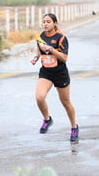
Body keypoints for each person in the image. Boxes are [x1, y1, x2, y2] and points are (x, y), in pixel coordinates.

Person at [30, 13, 79, 142]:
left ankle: (74, 127)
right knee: (39, 97)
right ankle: (47, 119)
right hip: (46, 72)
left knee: (65, 103)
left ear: (55, 23)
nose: (45, 24)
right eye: (44, 21)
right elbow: (39, 49)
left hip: (60, 73)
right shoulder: (40, 36)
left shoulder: (61, 37)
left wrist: (51, 49)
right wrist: (36, 57)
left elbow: (64, 58)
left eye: (48, 22)